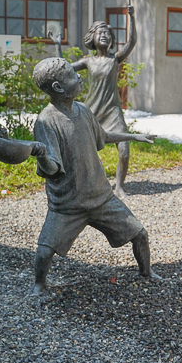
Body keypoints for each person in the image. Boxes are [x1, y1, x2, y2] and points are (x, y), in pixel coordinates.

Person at [29, 57, 158, 296]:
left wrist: (133, 137)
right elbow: (52, 169)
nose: (79, 76)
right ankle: (39, 285)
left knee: (139, 234)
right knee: (45, 250)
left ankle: (146, 272)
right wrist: (41, 156)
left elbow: (103, 137)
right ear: (58, 87)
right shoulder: (46, 121)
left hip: (101, 197)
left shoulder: (83, 110)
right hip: (68, 205)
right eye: (72, 75)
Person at [72, 6, 138, 198]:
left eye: (108, 34)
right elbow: (65, 68)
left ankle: (119, 187)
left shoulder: (115, 59)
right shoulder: (87, 62)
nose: (104, 36)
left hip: (113, 112)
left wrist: (132, 17)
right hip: (91, 111)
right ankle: (87, 185)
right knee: (83, 153)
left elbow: (132, 41)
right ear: (92, 38)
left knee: (124, 151)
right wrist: (58, 45)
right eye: (100, 33)